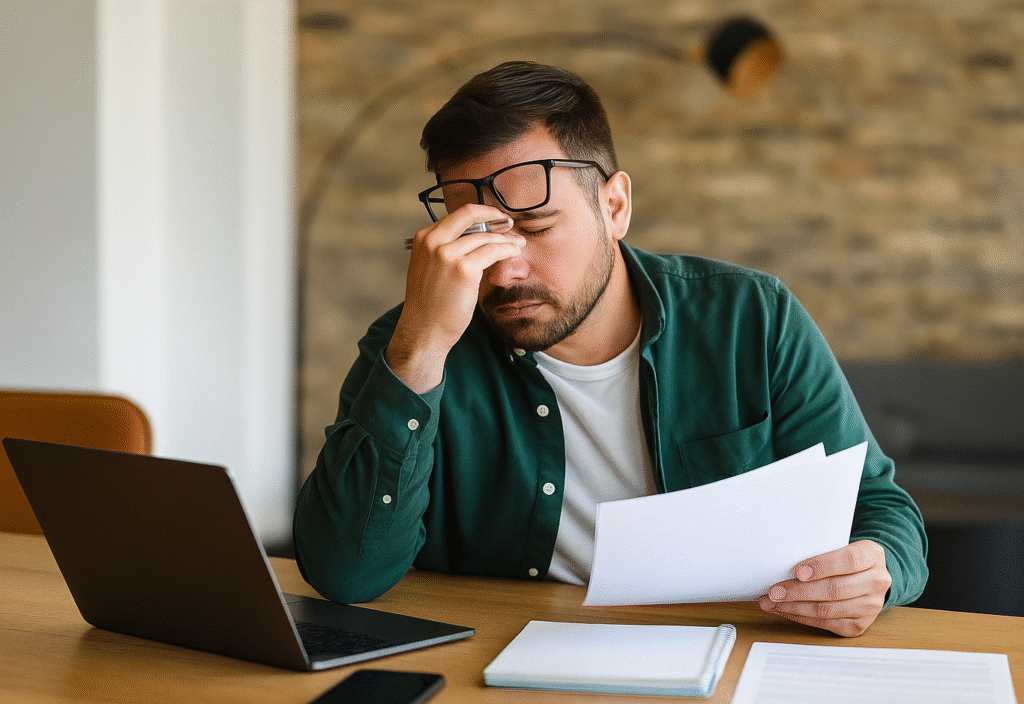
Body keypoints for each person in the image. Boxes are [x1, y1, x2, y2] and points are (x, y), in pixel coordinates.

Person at [294, 60, 927, 638]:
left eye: (536, 227)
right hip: (493, 673)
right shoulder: (414, 342)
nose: (504, 272)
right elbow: (346, 573)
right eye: (475, 236)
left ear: (615, 206)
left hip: (722, 657)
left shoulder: (751, 318)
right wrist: (420, 348)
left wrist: (875, 569)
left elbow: (878, 508)